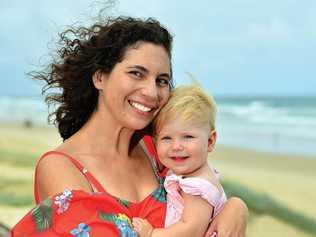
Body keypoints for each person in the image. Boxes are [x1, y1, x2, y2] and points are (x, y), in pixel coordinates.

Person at [11, 16, 248, 237]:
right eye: (136, 73)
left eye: (161, 80)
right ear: (100, 77)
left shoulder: (158, 148)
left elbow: (205, 193)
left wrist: (236, 207)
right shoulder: (61, 167)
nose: (151, 92)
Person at [132, 84, 226, 237]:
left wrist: (152, 234)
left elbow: (191, 231)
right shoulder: (187, 174)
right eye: (166, 138)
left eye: (188, 137)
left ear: (210, 142)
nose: (176, 146)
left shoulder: (197, 187)